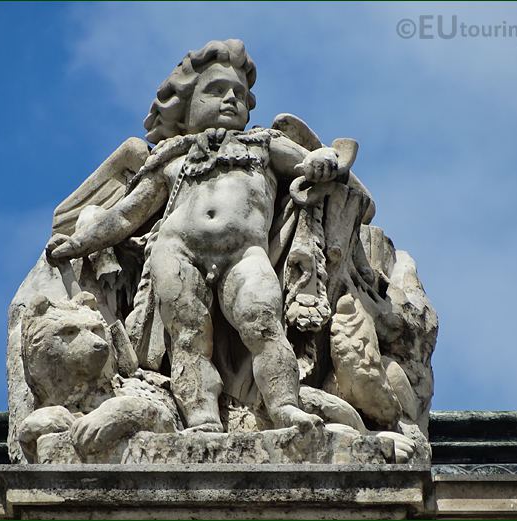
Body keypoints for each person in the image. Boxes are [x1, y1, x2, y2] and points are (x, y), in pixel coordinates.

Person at [47, 40, 354, 433]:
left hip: (246, 253)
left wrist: (323, 162)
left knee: (263, 323)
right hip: (177, 251)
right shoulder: (172, 156)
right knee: (188, 337)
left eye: (240, 94)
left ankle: (284, 407)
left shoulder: (264, 143)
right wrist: (79, 243)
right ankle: (202, 418)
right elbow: (126, 214)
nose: (231, 99)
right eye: (216, 91)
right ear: (186, 105)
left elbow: (310, 162)